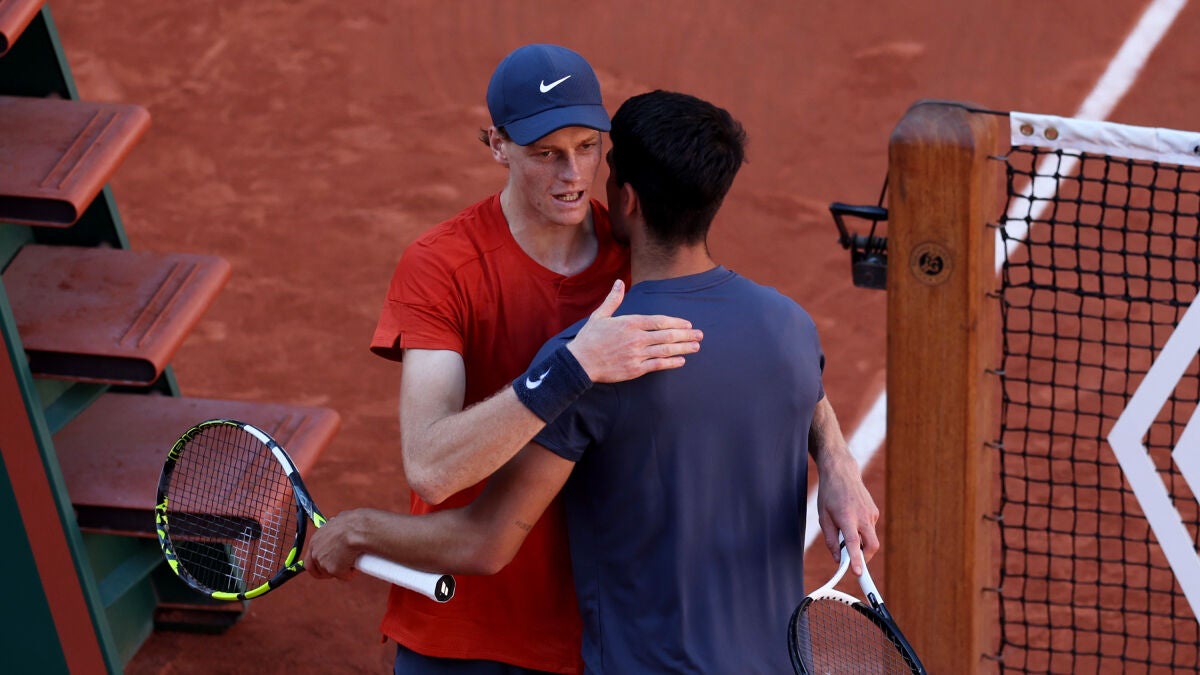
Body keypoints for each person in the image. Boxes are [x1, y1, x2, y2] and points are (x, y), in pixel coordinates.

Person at [312, 90, 880, 673]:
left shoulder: (595, 358)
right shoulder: (788, 324)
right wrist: (836, 460)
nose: (578, 175)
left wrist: (359, 530)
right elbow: (808, 389)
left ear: (627, 199)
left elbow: (485, 541)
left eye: (593, 156)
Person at [365, 45, 703, 674]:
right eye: (546, 153)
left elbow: (747, 330)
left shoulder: (640, 255)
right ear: (496, 145)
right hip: (463, 624)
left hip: (597, 630)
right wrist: (572, 368)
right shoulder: (440, 267)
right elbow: (432, 466)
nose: (572, 174)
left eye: (587, 147)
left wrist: (837, 456)